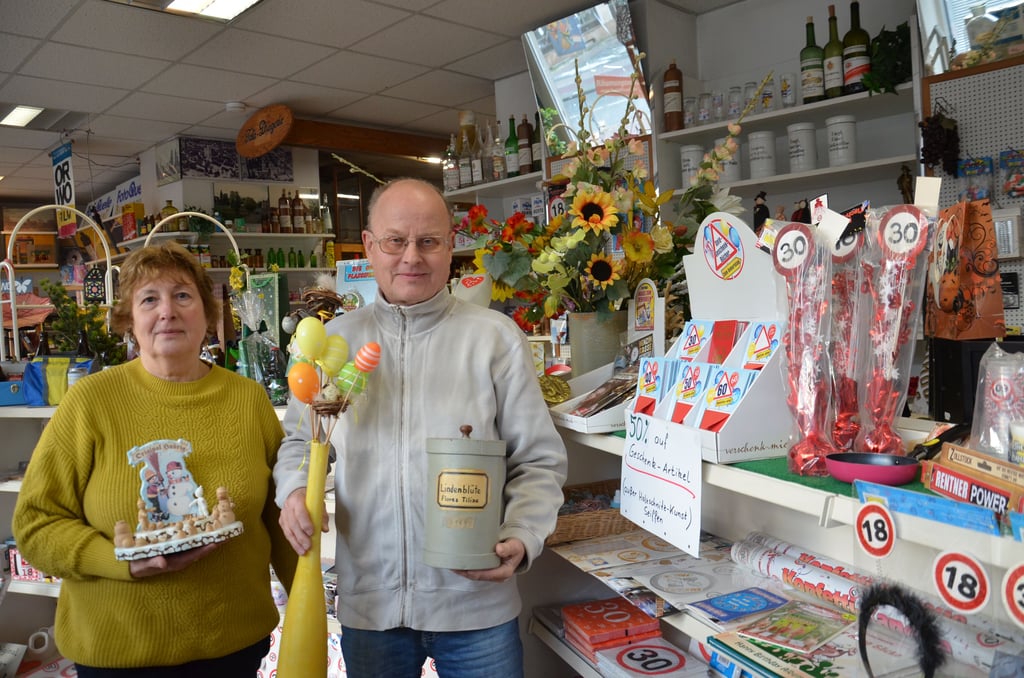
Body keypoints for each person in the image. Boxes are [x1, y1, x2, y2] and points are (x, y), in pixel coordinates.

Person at [274, 178, 568, 678]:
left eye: (429, 241)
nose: (412, 256)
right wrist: (295, 490)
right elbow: (302, 441)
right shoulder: (335, 343)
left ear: (452, 247)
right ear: (369, 247)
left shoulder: (494, 340)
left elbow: (537, 460)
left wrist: (522, 534)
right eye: (396, 241)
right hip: (372, 607)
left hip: (477, 604)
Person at [12, 241, 296, 677]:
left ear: (207, 311)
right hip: (118, 651)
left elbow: (281, 518)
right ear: (129, 319)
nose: (168, 311)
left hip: (233, 645)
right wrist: (118, 561)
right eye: (149, 299)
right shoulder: (90, 402)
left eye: (183, 295)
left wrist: (307, 601)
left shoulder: (247, 400)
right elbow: (35, 525)